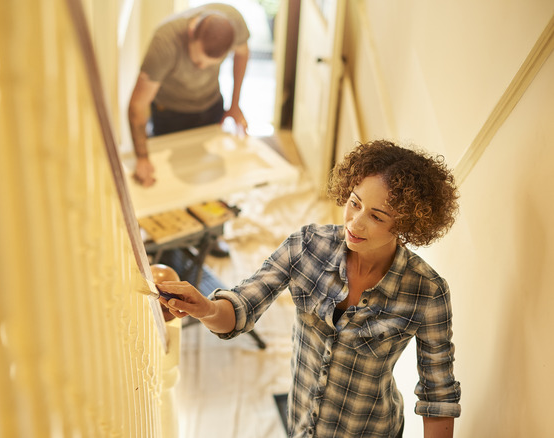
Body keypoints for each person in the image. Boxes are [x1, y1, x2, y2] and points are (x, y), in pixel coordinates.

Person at [158, 140, 462, 437]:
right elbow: (241, 308)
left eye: (376, 216)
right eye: (354, 203)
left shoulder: (428, 292)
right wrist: (207, 308)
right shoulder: (306, 246)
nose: (355, 224)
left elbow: (438, 399)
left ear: (407, 223)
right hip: (301, 424)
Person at [128, 3, 251, 187]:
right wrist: (143, 158)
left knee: (206, 176)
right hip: (171, 114)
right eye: (198, 61)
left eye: (210, 64)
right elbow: (137, 105)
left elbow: (243, 54)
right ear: (192, 32)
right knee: (173, 183)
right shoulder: (165, 42)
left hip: (211, 104)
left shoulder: (234, 22)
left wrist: (235, 105)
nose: (202, 68)